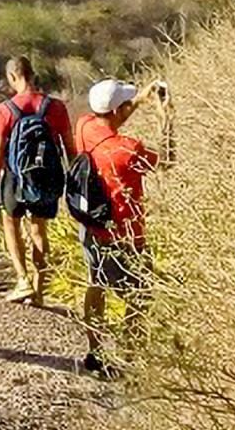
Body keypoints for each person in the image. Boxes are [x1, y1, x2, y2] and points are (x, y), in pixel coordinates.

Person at [74, 78, 171, 378]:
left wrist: (139, 99)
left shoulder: (84, 127)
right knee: (141, 297)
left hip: (92, 225)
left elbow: (110, 121)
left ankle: (95, 351)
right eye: (126, 104)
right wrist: (166, 118)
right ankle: (129, 358)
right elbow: (167, 161)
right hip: (125, 235)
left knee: (96, 283)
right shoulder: (129, 150)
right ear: (117, 110)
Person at [0, 54, 71, 306]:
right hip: (45, 178)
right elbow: (69, 147)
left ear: (12, 77)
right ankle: (38, 289)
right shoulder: (56, 107)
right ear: (33, 75)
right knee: (38, 230)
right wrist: (73, 179)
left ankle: (22, 280)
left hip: (15, 177)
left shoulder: (5, 109)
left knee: (10, 223)